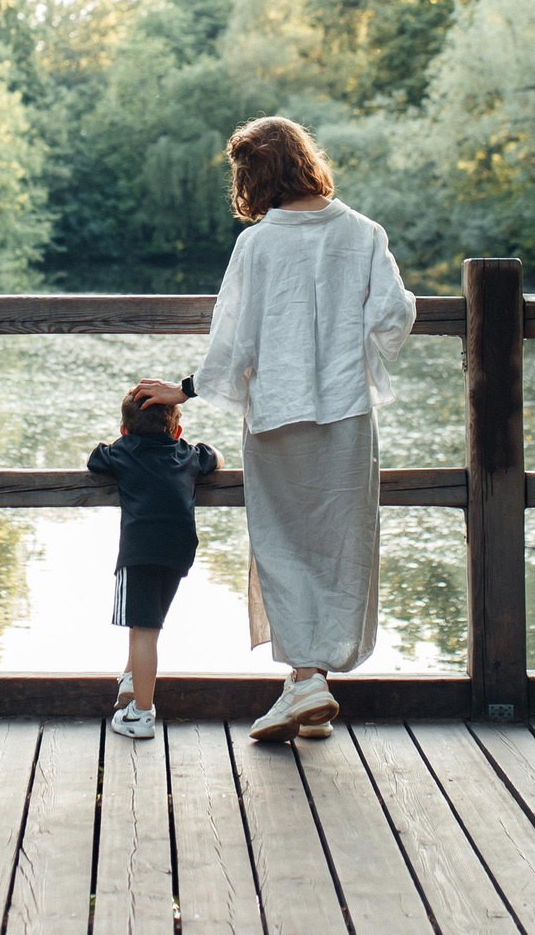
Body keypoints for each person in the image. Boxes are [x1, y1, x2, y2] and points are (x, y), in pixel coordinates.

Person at [135, 115, 416, 743]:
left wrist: (182, 391)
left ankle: (305, 680)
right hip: (345, 415)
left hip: (277, 419)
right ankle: (306, 684)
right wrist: (350, 347)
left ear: (254, 175)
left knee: (283, 545)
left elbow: (233, 342)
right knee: (340, 543)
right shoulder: (366, 234)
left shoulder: (258, 245)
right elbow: (395, 315)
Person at [88, 385, 220, 740]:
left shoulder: (123, 451)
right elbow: (214, 457)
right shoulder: (186, 453)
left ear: (124, 429)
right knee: (146, 622)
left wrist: (119, 443)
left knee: (145, 630)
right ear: (176, 429)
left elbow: (94, 459)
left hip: (140, 552)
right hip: (178, 553)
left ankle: (142, 715)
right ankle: (132, 683)